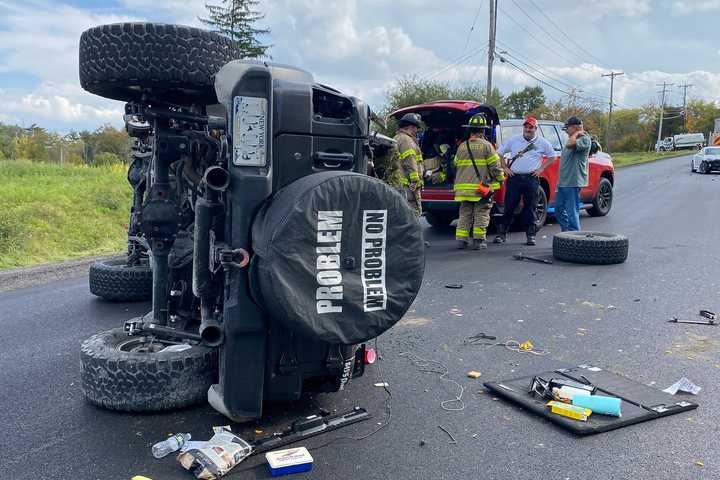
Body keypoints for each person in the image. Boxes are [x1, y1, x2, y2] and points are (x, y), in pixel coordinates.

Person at [494, 116, 556, 246]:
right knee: (509, 207)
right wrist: (505, 168)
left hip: (531, 178)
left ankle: (530, 235)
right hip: (514, 178)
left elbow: (552, 157)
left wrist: (541, 169)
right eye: (526, 127)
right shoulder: (514, 140)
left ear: (535, 129)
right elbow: (499, 153)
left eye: (531, 127)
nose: (528, 129)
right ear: (523, 127)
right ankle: (501, 234)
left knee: (530, 207)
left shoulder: (542, 142)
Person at [453, 113, 504, 250]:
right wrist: (500, 179)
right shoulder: (487, 146)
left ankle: (461, 240)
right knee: (481, 213)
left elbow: (455, 164)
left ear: (470, 129)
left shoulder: (462, 146)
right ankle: (478, 240)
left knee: (465, 214)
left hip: (463, 190)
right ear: (483, 130)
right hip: (480, 189)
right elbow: (495, 167)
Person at [542, 116, 591, 231]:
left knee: (571, 211)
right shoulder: (573, 138)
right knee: (558, 210)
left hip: (573, 181)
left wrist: (577, 133)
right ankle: (566, 234)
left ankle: (575, 238)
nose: (566, 131)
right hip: (563, 182)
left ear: (574, 127)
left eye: (567, 128)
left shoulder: (584, 139)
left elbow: (569, 145)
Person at [392, 113, 424, 217]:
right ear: (411, 127)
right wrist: (415, 180)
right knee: (413, 213)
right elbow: (410, 160)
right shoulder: (406, 140)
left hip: (400, 183)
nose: (417, 131)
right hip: (408, 185)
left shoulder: (397, 137)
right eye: (416, 127)